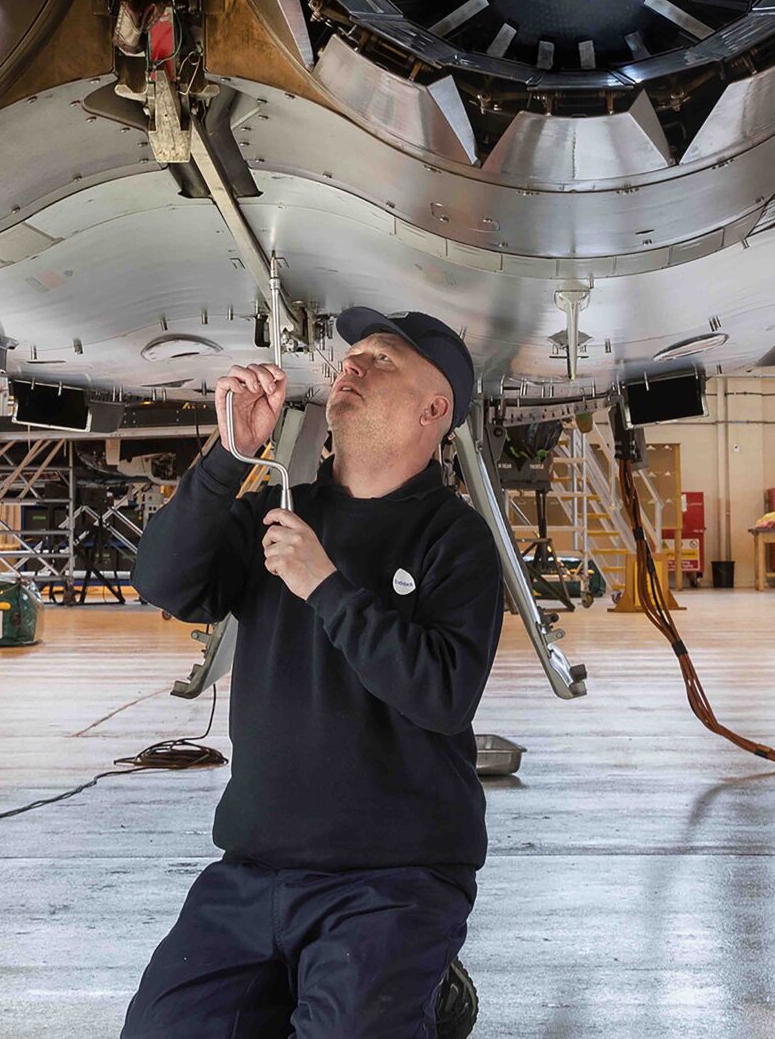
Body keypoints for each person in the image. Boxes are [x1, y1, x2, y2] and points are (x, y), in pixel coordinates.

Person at [122, 308, 501, 1039]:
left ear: (435, 408)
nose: (351, 366)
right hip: (255, 870)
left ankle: (420, 984)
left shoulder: (455, 539)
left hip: (395, 880)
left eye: (382, 359)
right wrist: (230, 456)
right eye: (351, 356)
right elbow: (163, 579)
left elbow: (444, 694)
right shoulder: (277, 513)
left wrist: (326, 585)